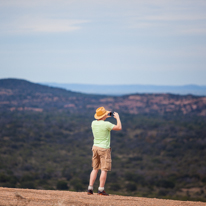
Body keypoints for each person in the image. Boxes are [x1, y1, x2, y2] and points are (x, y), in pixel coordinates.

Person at [87, 106, 122, 196]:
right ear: (103, 116)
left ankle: (90, 188)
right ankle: (101, 189)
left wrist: (104, 115)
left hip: (95, 147)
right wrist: (117, 118)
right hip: (104, 149)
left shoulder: (93, 123)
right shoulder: (107, 124)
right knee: (104, 169)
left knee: (95, 168)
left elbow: (100, 120)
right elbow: (119, 127)